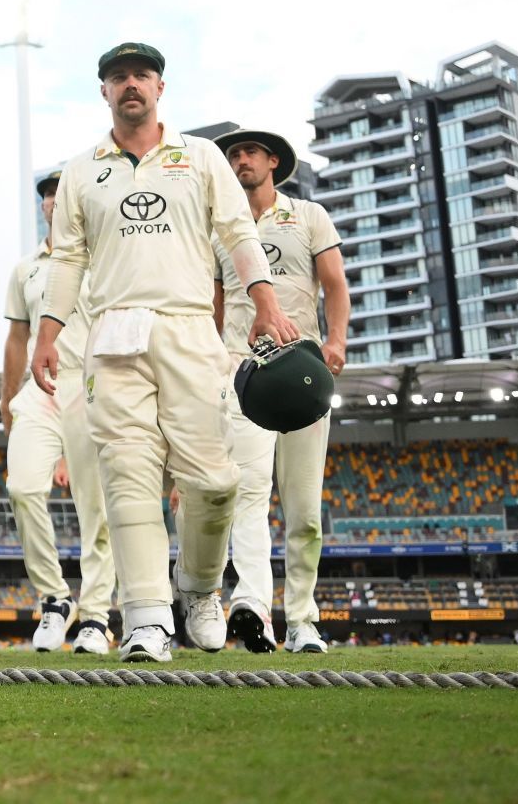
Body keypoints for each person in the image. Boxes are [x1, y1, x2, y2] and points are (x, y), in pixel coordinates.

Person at [31, 43, 298, 663]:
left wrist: (265, 301)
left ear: (160, 88)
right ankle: (147, 618)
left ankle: (200, 587)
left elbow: (237, 233)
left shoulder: (200, 156)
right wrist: (48, 333)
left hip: (186, 328)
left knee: (213, 480)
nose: (130, 86)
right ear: (104, 91)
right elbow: (67, 260)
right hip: (114, 333)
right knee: (127, 476)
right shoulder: (81, 169)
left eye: (141, 76)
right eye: (118, 77)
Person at [210, 129, 347, 656]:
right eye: (233, 155)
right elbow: (215, 305)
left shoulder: (309, 215)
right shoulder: (218, 228)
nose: (241, 160)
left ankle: (305, 619)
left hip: (303, 367)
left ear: (273, 161)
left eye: (250, 153)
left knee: (304, 509)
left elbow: (333, 283)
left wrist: (335, 340)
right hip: (242, 372)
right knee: (248, 493)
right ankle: (254, 606)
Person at [2, 169, 115, 653]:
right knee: (23, 487)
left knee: (96, 507)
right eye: (48, 196)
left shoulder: (103, 261)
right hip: (40, 390)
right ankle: (54, 598)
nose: (54, 202)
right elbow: (16, 339)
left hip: (91, 388)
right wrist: (8, 403)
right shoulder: (26, 268)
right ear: (44, 207)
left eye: (61, 194)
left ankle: (95, 615)